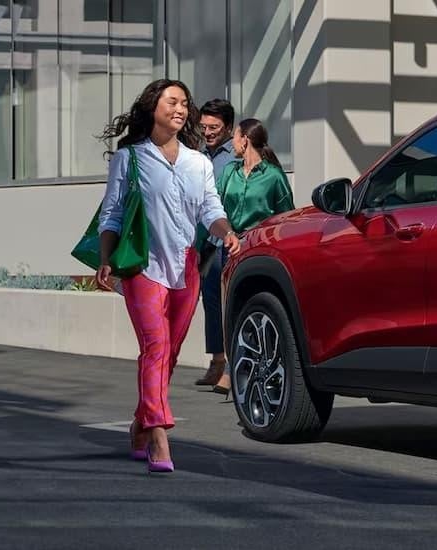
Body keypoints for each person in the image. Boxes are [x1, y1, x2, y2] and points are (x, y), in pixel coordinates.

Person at [95, 79, 240, 474]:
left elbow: (210, 210)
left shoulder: (199, 163)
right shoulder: (130, 158)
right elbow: (112, 213)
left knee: (170, 352)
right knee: (156, 346)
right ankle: (159, 432)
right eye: (171, 101)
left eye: (184, 103)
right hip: (143, 266)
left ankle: (140, 422)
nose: (180, 108)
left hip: (185, 267)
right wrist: (106, 259)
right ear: (152, 106)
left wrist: (227, 233)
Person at [198, 117, 295, 394]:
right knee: (219, 307)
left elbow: (285, 217)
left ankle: (234, 370)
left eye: (235, 137)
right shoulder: (230, 172)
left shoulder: (274, 176)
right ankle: (227, 363)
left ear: (245, 140)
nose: (232, 143)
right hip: (224, 246)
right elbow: (213, 205)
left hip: (254, 247)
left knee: (241, 307)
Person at [193, 98, 236, 388]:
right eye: (204, 127)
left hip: (230, 239)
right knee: (210, 303)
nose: (208, 133)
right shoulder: (198, 156)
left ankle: (233, 367)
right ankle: (217, 360)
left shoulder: (237, 155)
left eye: (214, 127)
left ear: (229, 128)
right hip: (205, 241)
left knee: (229, 302)